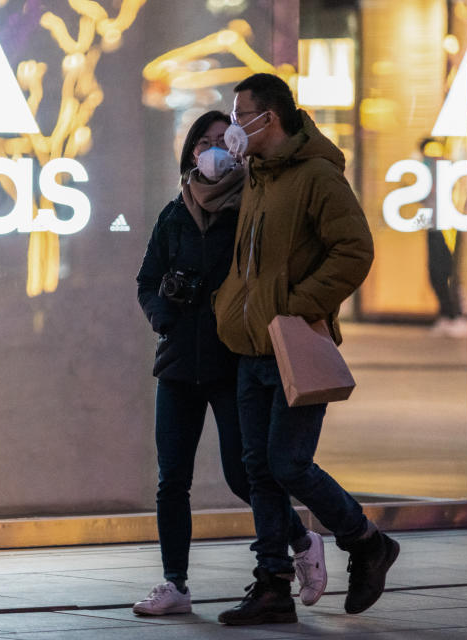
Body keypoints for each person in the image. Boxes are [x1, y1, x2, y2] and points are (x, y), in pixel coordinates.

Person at [212, 74, 399, 626]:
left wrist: (295, 305)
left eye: (240, 113)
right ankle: (271, 583)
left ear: (267, 119)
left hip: (292, 345)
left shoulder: (317, 176)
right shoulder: (260, 178)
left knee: (286, 463)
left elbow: (354, 250)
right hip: (252, 346)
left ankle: (364, 538)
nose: (233, 124)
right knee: (257, 470)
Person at [134, 110, 326, 617]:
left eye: (224, 140)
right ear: (190, 151)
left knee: (245, 475)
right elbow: (147, 279)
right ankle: (174, 583)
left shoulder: (251, 212)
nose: (214, 150)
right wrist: (163, 316)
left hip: (229, 363)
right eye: (204, 141)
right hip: (176, 365)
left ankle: (302, 542)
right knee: (171, 479)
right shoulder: (175, 213)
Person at [418, 137, 467, 338]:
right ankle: (447, 314)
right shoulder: (434, 168)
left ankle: (454, 315)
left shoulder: (437, 168)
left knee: (443, 272)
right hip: (436, 226)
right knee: (438, 273)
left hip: (444, 227)